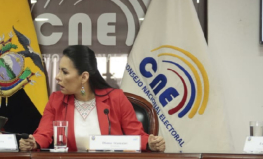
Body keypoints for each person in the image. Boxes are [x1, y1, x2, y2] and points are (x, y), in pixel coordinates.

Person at [19, 45, 166, 152]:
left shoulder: (116, 98)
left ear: (84, 77)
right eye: (59, 71)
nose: (57, 77)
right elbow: (43, 134)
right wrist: (33, 143)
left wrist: (151, 143)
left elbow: (136, 135)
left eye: (64, 72)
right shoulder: (56, 101)